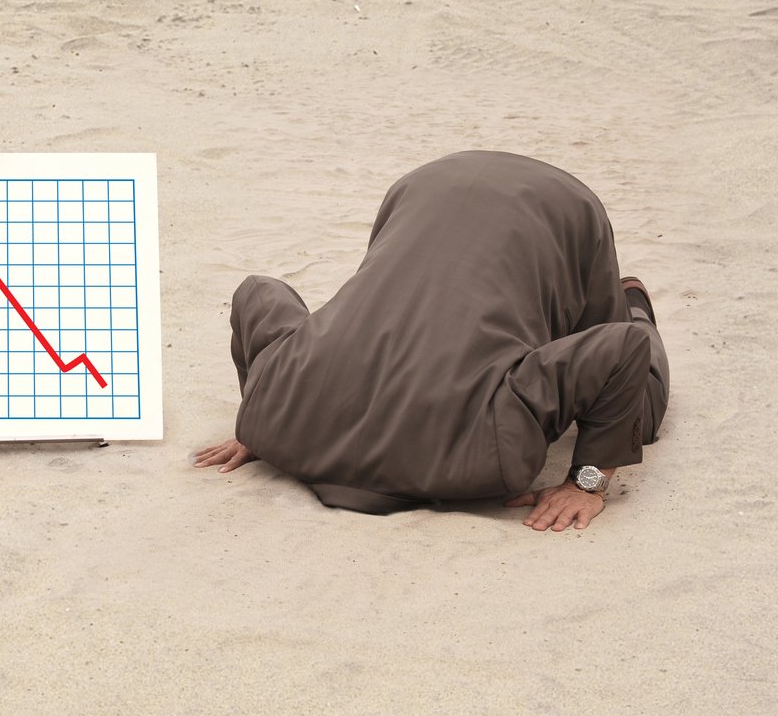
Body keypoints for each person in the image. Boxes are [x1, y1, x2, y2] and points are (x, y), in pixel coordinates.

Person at [194, 150, 667, 531]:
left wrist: (586, 482)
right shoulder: (273, 413)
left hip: (441, 185)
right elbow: (258, 292)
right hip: (499, 196)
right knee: (634, 414)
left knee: (624, 402)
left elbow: (619, 345)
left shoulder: (488, 456)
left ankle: (632, 305)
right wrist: (265, 417)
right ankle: (636, 302)